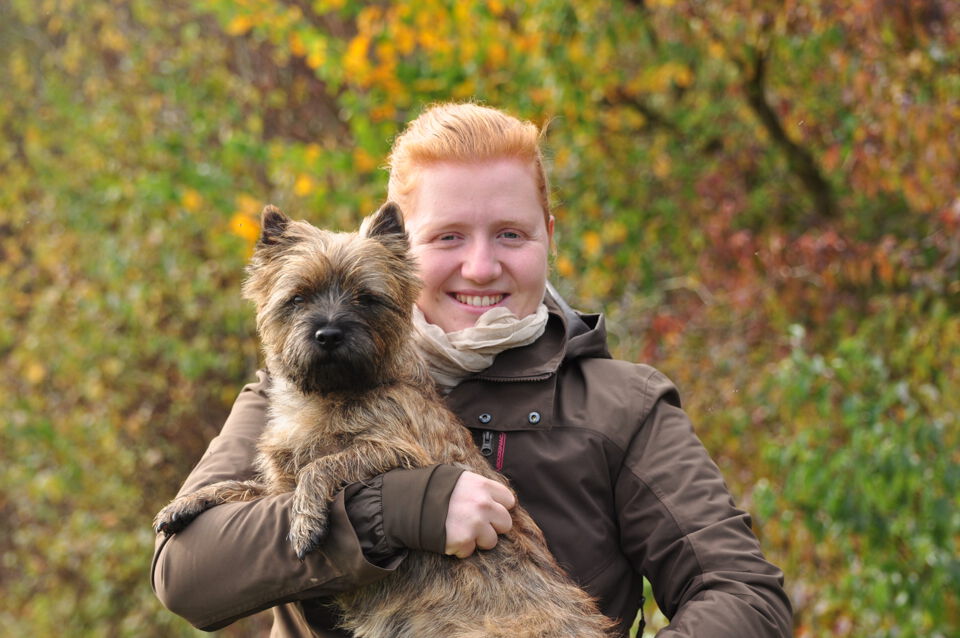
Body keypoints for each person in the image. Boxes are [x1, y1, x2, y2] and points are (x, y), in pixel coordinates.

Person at [151, 103, 792, 637]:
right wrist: (394, 511)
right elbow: (185, 573)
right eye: (448, 237)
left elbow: (744, 596)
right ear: (399, 249)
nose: (481, 267)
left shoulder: (621, 407)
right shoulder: (291, 390)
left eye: (510, 234)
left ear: (548, 234)